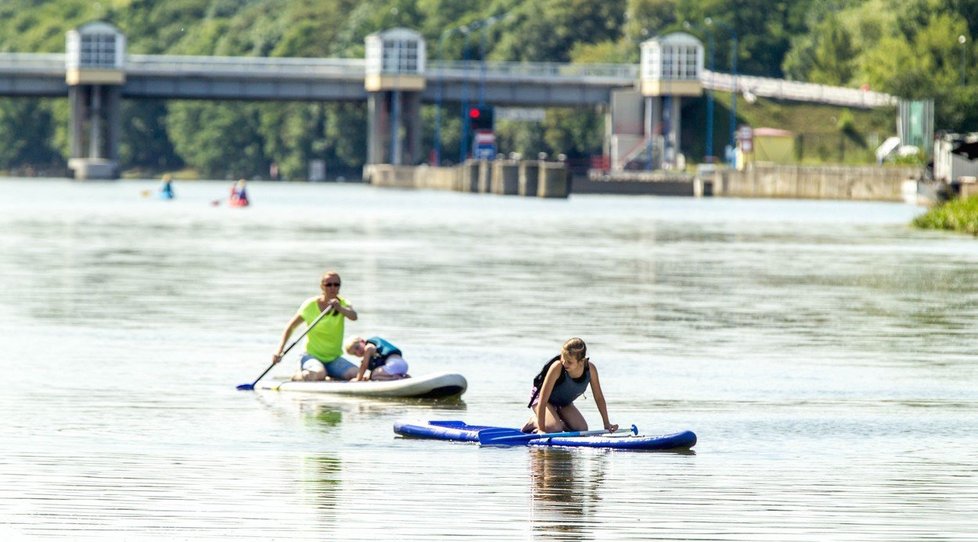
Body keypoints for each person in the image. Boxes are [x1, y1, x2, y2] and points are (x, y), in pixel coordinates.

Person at [271, 271, 358, 381]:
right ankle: (297, 376)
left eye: (336, 284)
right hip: (311, 356)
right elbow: (291, 327)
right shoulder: (310, 305)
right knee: (319, 374)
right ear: (322, 286)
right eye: (329, 285)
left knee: (357, 374)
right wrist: (279, 351)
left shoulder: (343, 303)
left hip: (333, 359)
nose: (333, 288)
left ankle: (331, 375)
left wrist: (339, 308)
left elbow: (354, 316)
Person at [521, 338, 618, 434]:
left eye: (569, 362)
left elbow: (599, 397)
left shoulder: (591, 370)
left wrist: (606, 423)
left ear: (581, 361)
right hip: (541, 399)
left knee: (582, 429)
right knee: (554, 429)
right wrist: (542, 429)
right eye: (563, 358)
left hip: (563, 402)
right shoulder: (557, 367)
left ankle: (555, 421)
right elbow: (543, 398)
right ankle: (535, 421)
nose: (564, 363)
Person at [345, 336, 410, 381]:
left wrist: (358, 379)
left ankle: (397, 378)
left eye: (357, 348)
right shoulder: (374, 349)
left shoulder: (368, 348)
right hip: (404, 366)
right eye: (355, 353)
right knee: (375, 374)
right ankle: (405, 377)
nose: (358, 352)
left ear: (362, 341)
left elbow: (364, 366)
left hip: (394, 365)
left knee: (374, 375)